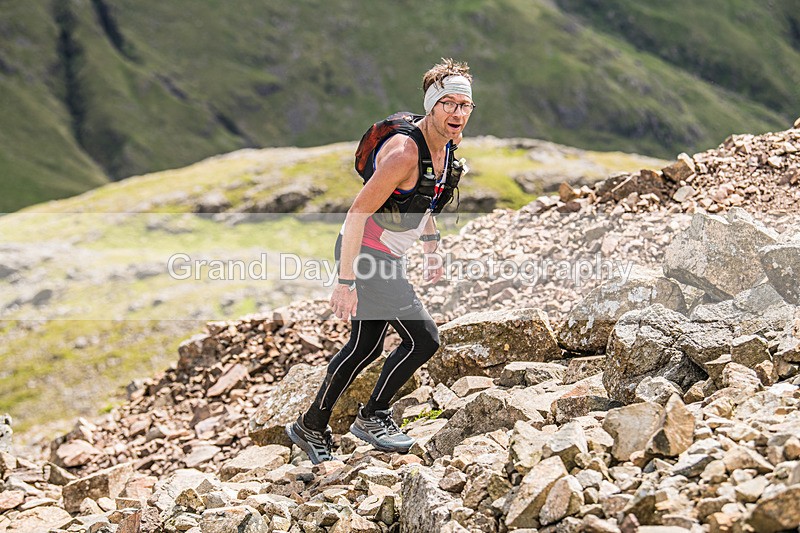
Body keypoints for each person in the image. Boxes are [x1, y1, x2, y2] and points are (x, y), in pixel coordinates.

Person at [285, 59, 475, 464]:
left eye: (465, 105)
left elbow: (425, 198)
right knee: (423, 339)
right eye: (448, 104)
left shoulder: (445, 149)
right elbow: (356, 214)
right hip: (367, 257)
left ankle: (311, 426)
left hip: (387, 256)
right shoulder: (403, 153)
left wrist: (430, 248)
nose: (457, 113)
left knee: (364, 346)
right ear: (431, 105)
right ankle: (372, 416)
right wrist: (346, 281)